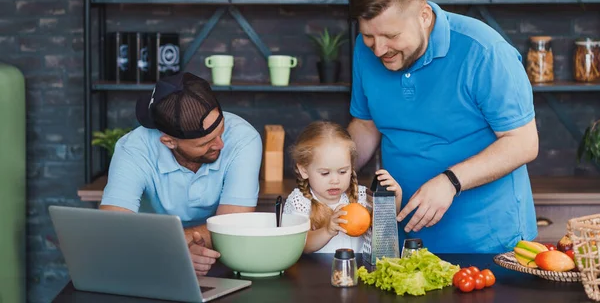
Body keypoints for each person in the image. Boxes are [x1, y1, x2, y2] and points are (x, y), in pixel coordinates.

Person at [347, 0, 539, 254]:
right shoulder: (366, 50)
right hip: (403, 242)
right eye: (369, 36)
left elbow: (523, 143)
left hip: (488, 243)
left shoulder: (484, 51)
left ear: (424, 16)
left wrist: (451, 181)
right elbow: (365, 125)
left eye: (391, 36)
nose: (378, 49)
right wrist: (331, 176)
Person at [100, 72, 263, 275]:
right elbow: (112, 230)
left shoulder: (243, 138)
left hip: (217, 258)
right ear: (169, 141)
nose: (220, 144)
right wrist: (177, 251)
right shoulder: (133, 149)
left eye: (221, 131)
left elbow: (232, 225)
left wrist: (170, 246)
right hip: (148, 264)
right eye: (205, 143)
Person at [283, 121, 402, 253]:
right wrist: (327, 231)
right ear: (304, 170)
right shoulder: (300, 201)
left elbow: (384, 227)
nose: (335, 180)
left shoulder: (360, 196)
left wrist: (394, 199)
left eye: (343, 171)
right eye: (325, 173)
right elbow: (299, 245)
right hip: (315, 272)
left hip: (356, 270)